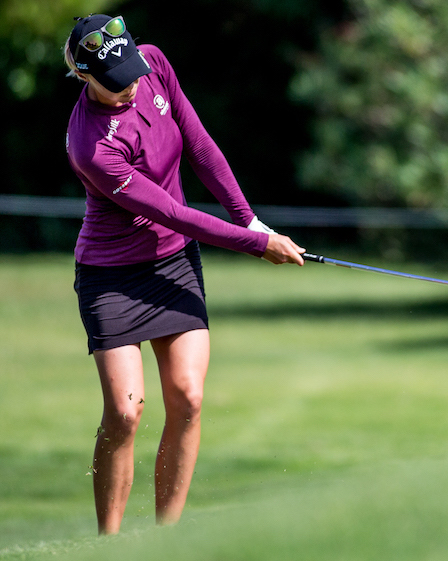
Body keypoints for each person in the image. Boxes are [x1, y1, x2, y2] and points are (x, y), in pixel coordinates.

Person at [63, 14, 305, 535]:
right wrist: (256, 245)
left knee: (189, 397)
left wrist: (249, 219)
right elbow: (171, 212)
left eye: (130, 71)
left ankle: (164, 541)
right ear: (84, 76)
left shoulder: (153, 63)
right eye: (115, 81)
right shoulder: (91, 145)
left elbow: (198, 143)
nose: (130, 84)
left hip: (173, 262)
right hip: (111, 276)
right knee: (125, 412)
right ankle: (109, 544)